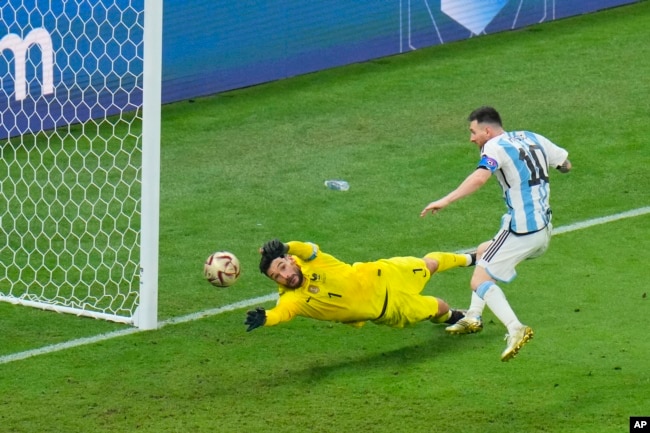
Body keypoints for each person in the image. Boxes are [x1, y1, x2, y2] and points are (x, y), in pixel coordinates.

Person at [420, 106, 571, 361]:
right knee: (483, 251)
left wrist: (445, 200)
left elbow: (479, 179)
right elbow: (565, 165)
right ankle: (473, 317)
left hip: (521, 230)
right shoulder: (532, 137)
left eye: (473, 132)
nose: (471, 138)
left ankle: (515, 328)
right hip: (543, 229)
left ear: (487, 130)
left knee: (479, 281)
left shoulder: (494, 146)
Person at [245, 239, 476, 332]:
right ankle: (452, 318)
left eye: (282, 267)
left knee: (430, 263)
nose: (284, 276)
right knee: (440, 306)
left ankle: (470, 259)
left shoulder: (313, 262)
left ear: (289, 261)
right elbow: (280, 313)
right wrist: (265, 317)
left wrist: (286, 246)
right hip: (390, 307)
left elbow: (308, 249)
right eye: (277, 276)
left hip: (385, 274)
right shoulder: (293, 300)